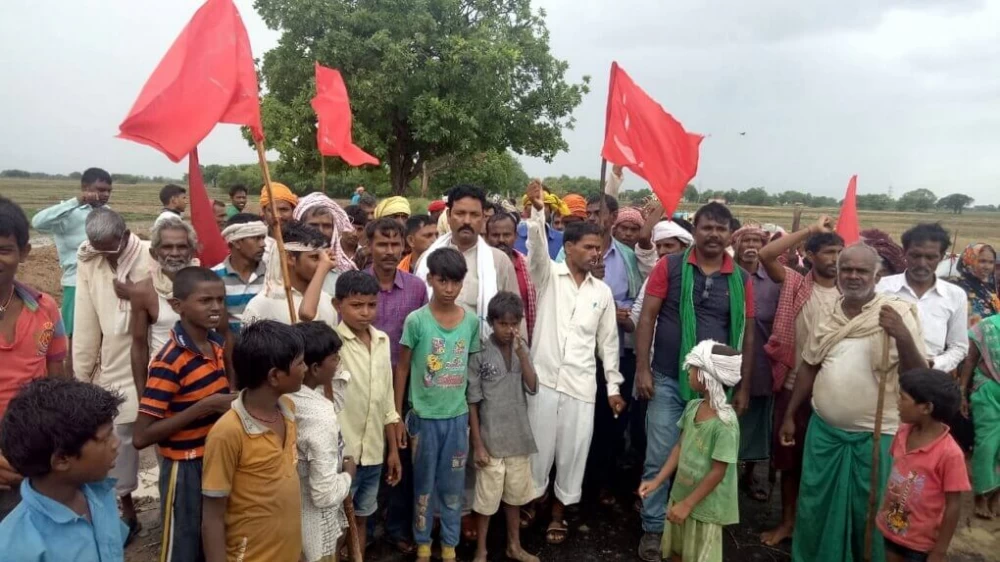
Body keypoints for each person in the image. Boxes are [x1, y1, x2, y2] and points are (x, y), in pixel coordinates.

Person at [779, 244, 927, 562]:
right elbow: (809, 366)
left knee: (869, 511)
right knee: (816, 505)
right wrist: (790, 414)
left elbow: (919, 376)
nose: (853, 276)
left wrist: (902, 335)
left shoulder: (897, 313)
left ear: (877, 276)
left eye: (862, 270)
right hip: (825, 434)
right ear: (838, 272)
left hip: (876, 436)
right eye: (847, 269)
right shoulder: (829, 313)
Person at [633, 202, 755, 562]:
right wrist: (642, 369)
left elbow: (747, 335)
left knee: (705, 460)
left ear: (729, 234)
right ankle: (653, 528)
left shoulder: (741, 279)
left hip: (715, 389)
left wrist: (744, 386)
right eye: (707, 227)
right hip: (668, 378)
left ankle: (696, 524)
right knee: (659, 456)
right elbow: (647, 318)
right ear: (695, 230)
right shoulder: (670, 266)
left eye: (720, 228)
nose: (713, 234)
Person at [523, 185, 625, 545]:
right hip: (544, 381)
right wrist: (538, 214)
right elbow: (536, 252)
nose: (596, 253)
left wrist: (613, 388)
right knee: (538, 451)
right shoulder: (548, 277)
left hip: (581, 386)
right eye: (589, 247)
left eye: (599, 247)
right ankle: (533, 501)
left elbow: (608, 344)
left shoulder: (602, 293)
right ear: (568, 248)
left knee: (572, 453)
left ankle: (558, 512)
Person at [132, 266, 233, 562]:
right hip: (184, 468)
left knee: (210, 537)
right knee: (183, 544)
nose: (216, 307)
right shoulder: (170, 361)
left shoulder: (215, 345)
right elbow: (141, 436)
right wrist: (205, 406)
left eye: (220, 300)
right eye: (205, 301)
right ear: (178, 306)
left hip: (212, 459)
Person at [756, 217, 843, 546]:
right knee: (789, 463)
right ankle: (788, 523)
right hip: (793, 387)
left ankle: (815, 527)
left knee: (825, 465)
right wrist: (810, 230)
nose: (835, 259)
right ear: (809, 255)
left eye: (840, 252)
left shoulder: (851, 293)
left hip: (834, 391)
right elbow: (766, 255)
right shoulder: (795, 283)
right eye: (829, 252)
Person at [394, 248, 482, 562]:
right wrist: (396, 414)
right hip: (423, 418)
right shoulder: (416, 321)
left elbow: (471, 372)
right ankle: (422, 543)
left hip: (457, 419)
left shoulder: (471, 322)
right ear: (430, 279)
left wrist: (474, 419)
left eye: (455, 282)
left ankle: (449, 545)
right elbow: (402, 368)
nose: (449, 289)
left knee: (453, 486)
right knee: (423, 484)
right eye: (442, 281)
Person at [73, 207, 152, 540]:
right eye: (100, 249)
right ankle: (128, 513)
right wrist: (81, 380)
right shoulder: (89, 261)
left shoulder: (151, 254)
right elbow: (85, 323)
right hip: (116, 366)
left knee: (167, 437)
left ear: (125, 236)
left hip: (156, 359)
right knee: (117, 444)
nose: (107, 256)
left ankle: (174, 511)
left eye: (111, 249)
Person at [202, 320, 305, 562]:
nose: (305, 368)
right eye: (300, 363)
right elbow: (212, 518)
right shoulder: (228, 432)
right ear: (274, 376)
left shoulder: (288, 410)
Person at [358, 218, 427, 552]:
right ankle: (367, 528)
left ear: (404, 246)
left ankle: (398, 528)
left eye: (394, 244)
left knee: (401, 455)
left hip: (405, 386)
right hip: (365, 385)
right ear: (369, 246)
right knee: (368, 456)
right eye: (381, 244)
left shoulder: (416, 288)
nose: (388, 251)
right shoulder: (356, 285)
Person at [0, 378, 127, 560]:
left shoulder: (100, 494)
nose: (116, 443)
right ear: (61, 460)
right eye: (106, 438)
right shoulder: (16, 547)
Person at [638, 341, 742, 562]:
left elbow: (718, 472)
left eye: (694, 367)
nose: (688, 371)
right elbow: (679, 447)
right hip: (681, 495)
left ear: (707, 377)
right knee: (678, 551)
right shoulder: (693, 407)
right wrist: (657, 481)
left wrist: (688, 504)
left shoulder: (725, 424)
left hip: (704, 509)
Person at [0, 197, 68, 519]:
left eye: (4, 250)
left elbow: (57, 381)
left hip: (30, 445)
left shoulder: (45, 308)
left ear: (24, 252)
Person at [333, 271, 403, 554]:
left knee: (361, 519)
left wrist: (393, 451)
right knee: (337, 525)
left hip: (373, 453)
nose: (365, 312)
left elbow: (387, 401)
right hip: (342, 455)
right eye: (356, 305)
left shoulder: (382, 341)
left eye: (371, 305)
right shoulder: (333, 344)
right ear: (338, 305)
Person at [468, 292, 540, 562]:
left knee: (515, 497)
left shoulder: (522, 349)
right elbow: (473, 401)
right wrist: (477, 444)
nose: (509, 330)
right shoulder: (480, 353)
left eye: (514, 324)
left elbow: (533, 387)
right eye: (503, 324)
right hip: (490, 440)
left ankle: (514, 546)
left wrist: (522, 354)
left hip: (518, 437)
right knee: (486, 502)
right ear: (491, 322)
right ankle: (481, 550)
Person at [878, 369, 969, 562]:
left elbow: (953, 505)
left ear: (926, 408)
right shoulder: (902, 433)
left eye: (903, 398)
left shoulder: (950, 454)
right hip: (891, 527)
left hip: (920, 543)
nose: (897, 402)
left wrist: (939, 551)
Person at [415, 184, 521, 340]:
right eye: (460, 213)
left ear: (483, 218)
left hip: (482, 350)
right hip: (432, 350)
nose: (467, 221)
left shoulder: (498, 261)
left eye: (474, 215)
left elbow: (515, 315)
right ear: (449, 215)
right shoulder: (426, 260)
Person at [289, 321, 355, 562]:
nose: (338, 363)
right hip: (315, 532)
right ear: (315, 368)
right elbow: (324, 495)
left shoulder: (287, 398)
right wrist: (348, 475)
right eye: (334, 358)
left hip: (290, 525)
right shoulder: (319, 415)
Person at [30, 167, 113, 356]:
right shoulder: (68, 213)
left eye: (109, 191)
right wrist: (76, 201)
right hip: (76, 284)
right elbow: (37, 222)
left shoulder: (109, 214)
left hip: (105, 282)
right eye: (100, 190)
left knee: (104, 336)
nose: (105, 195)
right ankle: (72, 373)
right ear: (85, 188)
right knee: (75, 338)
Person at [878, 223, 968, 373]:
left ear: (942, 257)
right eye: (915, 256)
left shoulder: (955, 295)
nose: (921, 263)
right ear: (905, 253)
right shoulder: (881, 288)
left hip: (929, 376)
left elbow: (959, 346)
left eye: (930, 257)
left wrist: (932, 365)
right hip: (884, 374)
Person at [730, 225, 779, 500]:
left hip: (760, 363)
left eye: (757, 241)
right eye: (745, 240)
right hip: (725, 360)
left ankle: (749, 475)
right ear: (735, 245)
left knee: (756, 422)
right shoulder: (725, 275)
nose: (751, 245)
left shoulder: (774, 281)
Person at [130, 216, 198, 397]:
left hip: (206, 380)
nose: (175, 253)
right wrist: (142, 396)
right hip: (164, 383)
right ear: (154, 253)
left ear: (192, 252)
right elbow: (139, 346)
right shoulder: (143, 291)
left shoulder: (208, 284)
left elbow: (223, 335)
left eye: (182, 247)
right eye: (167, 247)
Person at [243, 221, 338, 327]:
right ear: (290, 258)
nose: (323, 264)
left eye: (325, 258)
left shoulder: (327, 301)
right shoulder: (261, 305)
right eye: (315, 257)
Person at [959, 313, 1000, 518]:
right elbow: (970, 360)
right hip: (987, 390)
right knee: (986, 444)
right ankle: (981, 495)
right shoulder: (987, 326)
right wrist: (961, 392)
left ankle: (996, 495)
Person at [211, 214, 268, 333]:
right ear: (236, 242)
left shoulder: (272, 275)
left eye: (263, 238)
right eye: (256, 238)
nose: (263, 244)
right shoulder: (213, 277)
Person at [486, 212, 537, 342]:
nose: (501, 240)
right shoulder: (482, 268)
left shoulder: (529, 266)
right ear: (486, 237)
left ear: (515, 236)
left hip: (524, 340)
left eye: (507, 235)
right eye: (495, 235)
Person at [294, 192, 358, 295]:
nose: (320, 231)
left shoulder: (344, 270)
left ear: (334, 229)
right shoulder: (290, 264)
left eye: (327, 226)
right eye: (313, 225)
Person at [514, 180, 567, 260]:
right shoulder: (513, 237)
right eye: (532, 203)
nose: (538, 207)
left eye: (544, 204)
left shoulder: (562, 240)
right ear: (525, 209)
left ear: (551, 210)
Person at [951, 243, 999, 327]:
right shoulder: (956, 286)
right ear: (969, 260)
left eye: (991, 262)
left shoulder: (989, 288)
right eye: (982, 261)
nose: (987, 267)